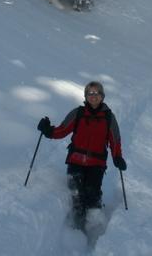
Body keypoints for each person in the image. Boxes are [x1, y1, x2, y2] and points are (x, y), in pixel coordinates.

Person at [37, 81, 126, 224]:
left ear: (102, 96)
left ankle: (93, 225)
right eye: (90, 93)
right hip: (75, 161)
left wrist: (117, 157)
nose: (93, 96)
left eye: (97, 93)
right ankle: (76, 224)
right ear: (86, 96)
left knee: (92, 195)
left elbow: (115, 140)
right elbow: (62, 130)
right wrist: (48, 131)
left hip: (96, 163)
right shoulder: (77, 113)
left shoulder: (109, 118)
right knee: (76, 195)